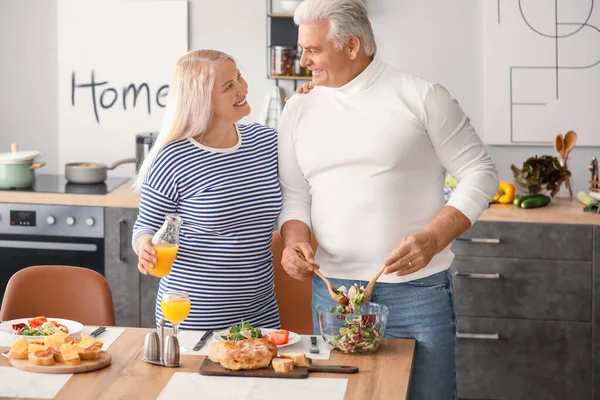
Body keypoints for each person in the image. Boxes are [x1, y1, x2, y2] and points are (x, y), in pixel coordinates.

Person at [277, 0, 499, 399]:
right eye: (302, 48)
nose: (303, 59)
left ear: (352, 46)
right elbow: (295, 195)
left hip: (416, 293)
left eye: (313, 49)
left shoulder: (423, 97)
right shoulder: (297, 109)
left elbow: (480, 172)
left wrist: (433, 238)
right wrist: (294, 241)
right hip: (334, 294)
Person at [132, 49, 283, 331]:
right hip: (195, 316)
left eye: (239, 77)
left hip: (261, 313)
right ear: (202, 101)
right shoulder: (172, 159)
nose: (242, 88)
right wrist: (145, 247)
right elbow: (144, 227)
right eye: (229, 87)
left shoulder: (267, 142)